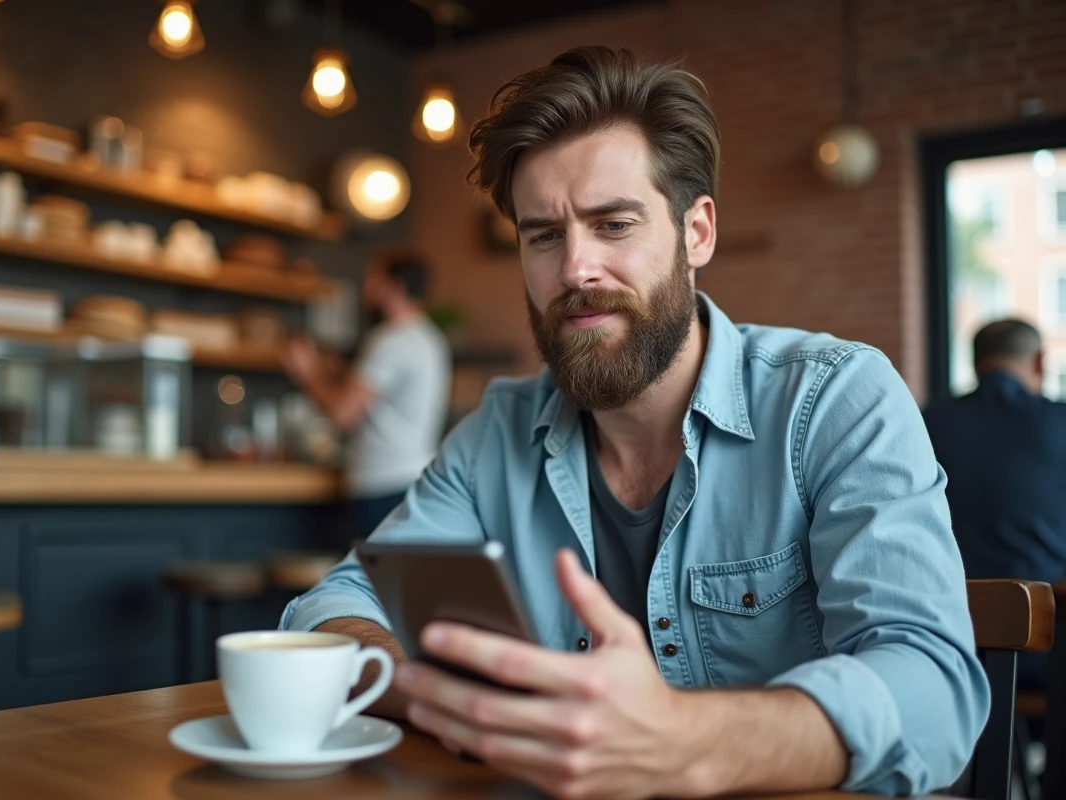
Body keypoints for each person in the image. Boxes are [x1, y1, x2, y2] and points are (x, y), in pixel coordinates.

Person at [282, 46, 987, 799]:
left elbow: (934, 690)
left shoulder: (835, 402)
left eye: (613, 224)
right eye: (543, 235)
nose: (575, 269)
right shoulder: (496, 433)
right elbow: (332, 607)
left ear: (697, 233)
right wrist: (443, 696)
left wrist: (686, 744)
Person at [924, 318, 1066, 691]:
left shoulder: (925, 424)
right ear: (1039, 362)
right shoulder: (1059, 422)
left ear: (975, 364)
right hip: (1047, 654)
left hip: (947, 647)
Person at [281, 250, 451, 543]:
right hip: (412, 480)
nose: (366, 288)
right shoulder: (429, 338)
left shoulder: (390, 340)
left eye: (374, 279)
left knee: (366, 585)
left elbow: (341, 414)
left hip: (381, 487)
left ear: (394, 286)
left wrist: (306, 373)